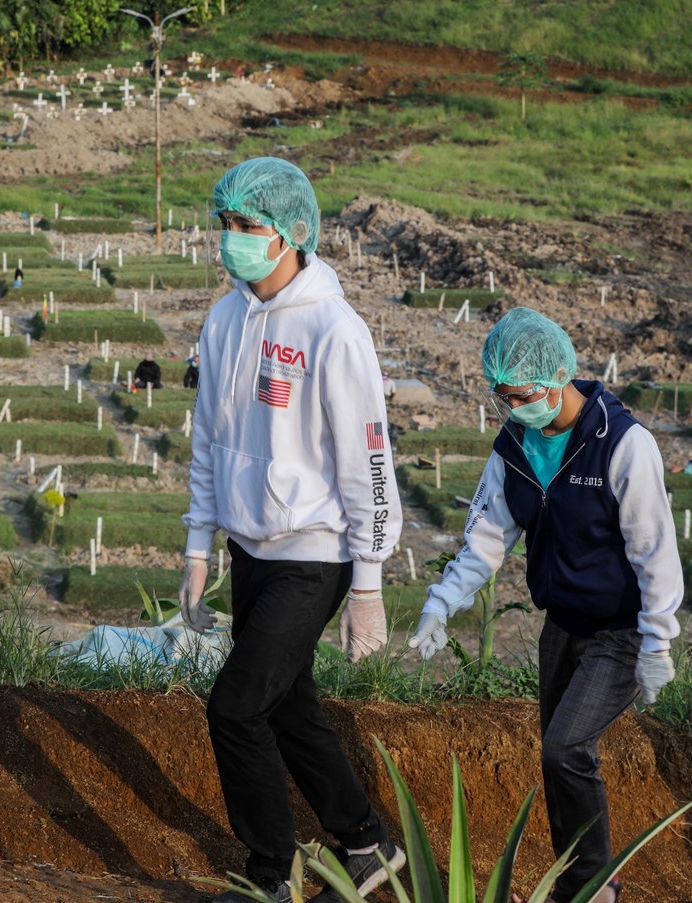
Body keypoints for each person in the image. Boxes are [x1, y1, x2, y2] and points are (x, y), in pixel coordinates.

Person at [179, 157, 405, 903]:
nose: (232, 241)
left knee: (236, 706)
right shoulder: (224, 318)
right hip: (251, 546)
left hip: (315, 554)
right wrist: (197, 545)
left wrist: (368, 583)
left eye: (248, 227)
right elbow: (209, 439)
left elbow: (366, 459)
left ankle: (270, 875)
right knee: (287, 703)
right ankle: (368, 843)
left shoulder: (335, 329)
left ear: (292, 235)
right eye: (227, 225)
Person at [409, 308, 683, 903]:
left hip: (620, 630)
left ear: (559, 375)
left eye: (523, 394)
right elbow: (487, 537)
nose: (514, 407)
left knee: (567, 748)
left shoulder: (622, 443)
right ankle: (577, 883)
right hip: (561, 625)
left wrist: (658, 639)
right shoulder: (514, 446)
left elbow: (654, 548)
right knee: (557, 753)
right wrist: (441, 602)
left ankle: (593, 891)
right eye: (503, 396)